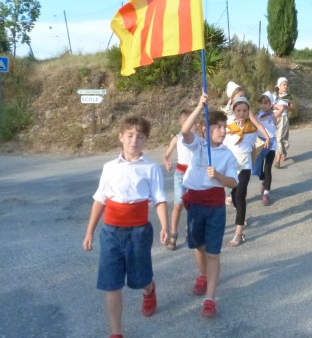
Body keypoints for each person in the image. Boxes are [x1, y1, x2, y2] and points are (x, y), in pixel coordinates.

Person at [83, 116, 168, 338]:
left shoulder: (151, 168)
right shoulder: (109, 167)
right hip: (111, 231)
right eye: (130, 135)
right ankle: (116, 332)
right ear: (121, 136)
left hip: (139, 232)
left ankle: (149, 290)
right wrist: (90, 231)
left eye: (140, 136)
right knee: (112, 284)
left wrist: (165, 227)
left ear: (146, 140)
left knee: (141, 279)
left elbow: (159, 199)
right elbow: (100, 199)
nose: (134, 140)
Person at [180, 93, 239, 318]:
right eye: (218, 127)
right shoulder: (198, 146)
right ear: (205, 129)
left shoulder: (227, 155)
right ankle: (203, 275)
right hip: (194, 203)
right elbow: (185, 131)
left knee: (213, 252)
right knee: (197, 244)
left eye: (225, 127)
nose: (223, 131)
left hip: (215, 206)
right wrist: (199, 106)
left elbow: (233, 183)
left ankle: (210, 298)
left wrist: (219, 177)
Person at [224, 96, 260, 246]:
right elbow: (223, 147)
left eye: (245, 110)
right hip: (231, 167)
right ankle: (241, 214)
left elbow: (252, 148)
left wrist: (251, 164)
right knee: (233, 195)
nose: (241, 113)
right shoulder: (227, 128)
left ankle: (238, 234)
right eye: (238, 110)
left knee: (240, 196)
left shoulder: (252, 129)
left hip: (244, 167)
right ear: (233, 111)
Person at [162, 109, 195, 251]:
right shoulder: (177, 138)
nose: (196, 126)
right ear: (184, 125)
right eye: (193, 123)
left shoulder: (198, 140)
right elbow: (166, 155)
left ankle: (191, 230)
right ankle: (173, 233)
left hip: (194, 175)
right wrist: (167, 161)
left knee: (192, 205)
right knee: (178, 205)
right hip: (180, 174)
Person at [252, 91, 278, 206]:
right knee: (257, 167)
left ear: (270, 104)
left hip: (271, 144)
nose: (263, 105)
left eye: (266, 103)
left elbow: (281, 107)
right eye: (262, 103)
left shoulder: (273, 116)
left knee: (268, 167)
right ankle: (263, 180)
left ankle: (266, 192)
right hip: (259, 143)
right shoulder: (256, 116)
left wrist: (273, 106)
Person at [274, 77, 295, 168]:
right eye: (284, 84)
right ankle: (283, 151)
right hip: (274, 118)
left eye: (287, 85)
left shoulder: (288, 96)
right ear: (279, 86)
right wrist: (277, 107)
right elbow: (269, 105)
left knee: (279, 139)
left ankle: (277, 161)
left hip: (283, 118)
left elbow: (292, 108)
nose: (286, 86)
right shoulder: (274, 95)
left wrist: (285, 107)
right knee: (277, 138)